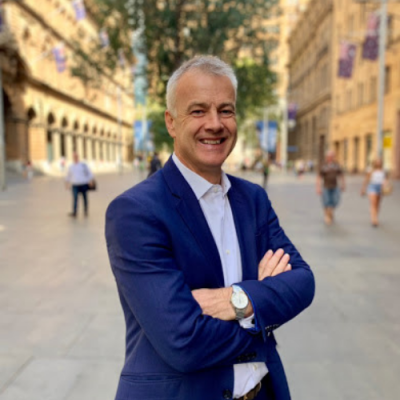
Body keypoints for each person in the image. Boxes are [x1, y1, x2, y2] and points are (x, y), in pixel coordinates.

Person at [105, 56, 315, 400]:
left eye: (226, 110)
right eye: (198, 111)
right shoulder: (136, 211)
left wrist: (235, 301)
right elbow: (183, 342)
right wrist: (262, 310)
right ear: (172, 122)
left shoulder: (253, 199)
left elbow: (303, 282)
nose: (215, 124)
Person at [316, 150, 345, 225]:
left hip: (335, 186)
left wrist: (343, 184)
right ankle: (327, 216)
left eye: (332, 156)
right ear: (327, 157)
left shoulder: (336, 165)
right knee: (327, 202)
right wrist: (318, 187)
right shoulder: (323, 165)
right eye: (329, 156)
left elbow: (341, 175)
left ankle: (329, 213)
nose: (331, 158)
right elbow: (319, 177)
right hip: (326, 187)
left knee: (335, 201)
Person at [360, 159, 389, 227]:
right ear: (374, 163)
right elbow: (366, 179)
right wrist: (363, 189)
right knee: (373, 203)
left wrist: (385, 184)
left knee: (377, 204)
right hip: (372, 186)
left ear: (381, 163)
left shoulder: (384, 170)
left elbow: (386, 179)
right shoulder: (370, 170)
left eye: (379, 162)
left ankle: (376, 216)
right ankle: (373, 219)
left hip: (380, 188)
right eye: (377, 162)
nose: (378, 163)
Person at [65, 152, 94, 218]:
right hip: (75, 185)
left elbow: (89, 173)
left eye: (76, 156)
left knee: (85, 198)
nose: (75, 158)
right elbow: (68, 175)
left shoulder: (83, 165)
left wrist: (91, 180)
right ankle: (74, 212)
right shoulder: (71, 166)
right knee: (75, 198)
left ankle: (85, 211)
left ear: (78, 157)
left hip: (83, 184)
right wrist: (67, 183)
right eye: (74, 156)